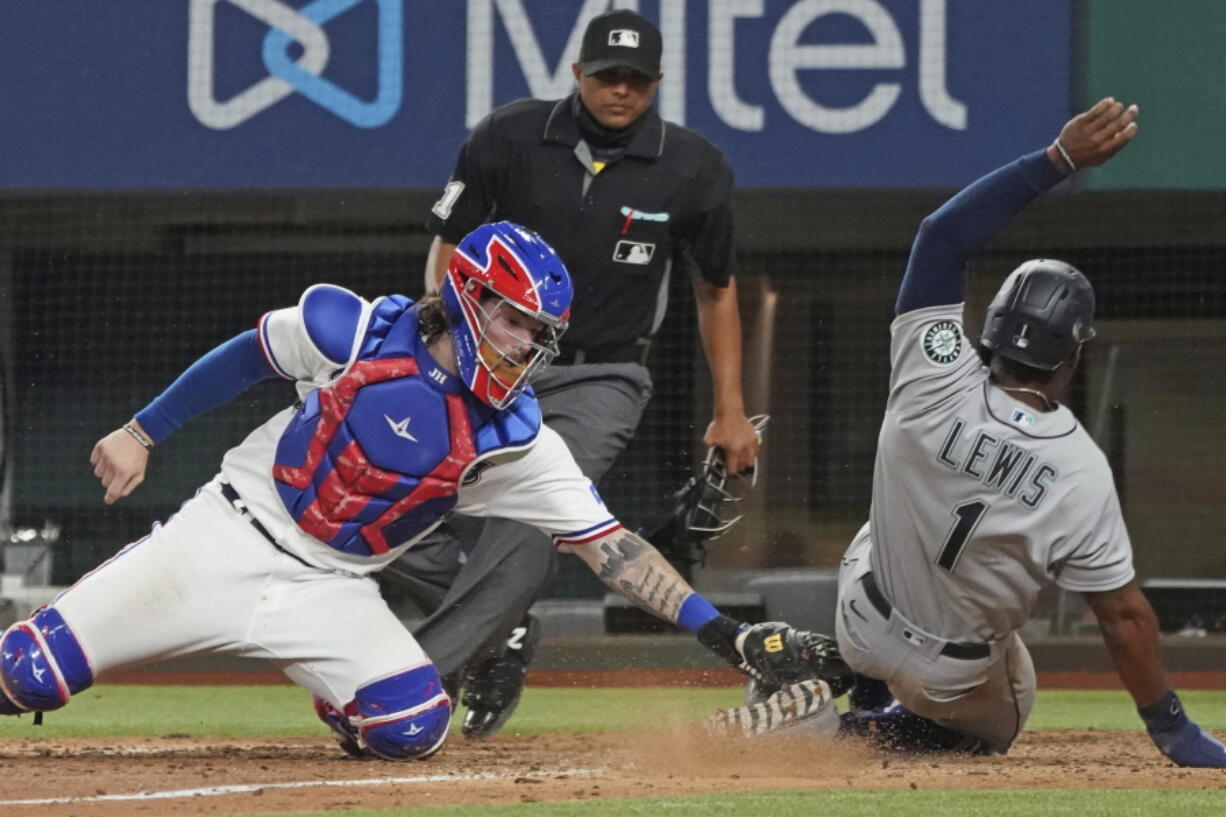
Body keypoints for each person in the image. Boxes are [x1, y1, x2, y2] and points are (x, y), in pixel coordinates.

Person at [0, 221, 787, 761]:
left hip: (333, 587)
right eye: (517, 323)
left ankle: (340, 689)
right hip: (225, 535)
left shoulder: (516, 438)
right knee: (26, 672)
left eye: (539, 334)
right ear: (469, 295)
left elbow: (610, 547)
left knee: (411, 726)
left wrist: (727, 635)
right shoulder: (354, 329)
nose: (530, 347)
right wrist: (142, 432)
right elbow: (250, 355)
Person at [806, 98, 1225, 766]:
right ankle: (865, 731)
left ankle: (854, 684)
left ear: (991, 325)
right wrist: (1172, 729)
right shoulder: (1081, 467)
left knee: (887, 518)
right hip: (952, 674)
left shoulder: (929, 370)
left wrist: (1057, 159)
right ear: (1072, 356)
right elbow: (1122, 616)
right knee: (1014, 694)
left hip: (862, 617)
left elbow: (941, 235)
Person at [393, 8, 761, 738]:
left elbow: (716, 289)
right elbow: (448, 245)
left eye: (634, 79)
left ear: (656, 83)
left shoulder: (694, 168)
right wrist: (434, 338)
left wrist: (731, 407)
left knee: (537, 511)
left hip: (603, 374)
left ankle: (410, 682)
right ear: (576, 75)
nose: (619, 90)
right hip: (488, 363)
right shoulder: (508, 136)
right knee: (389, 492)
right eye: (605, 76)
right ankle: (503, 630)